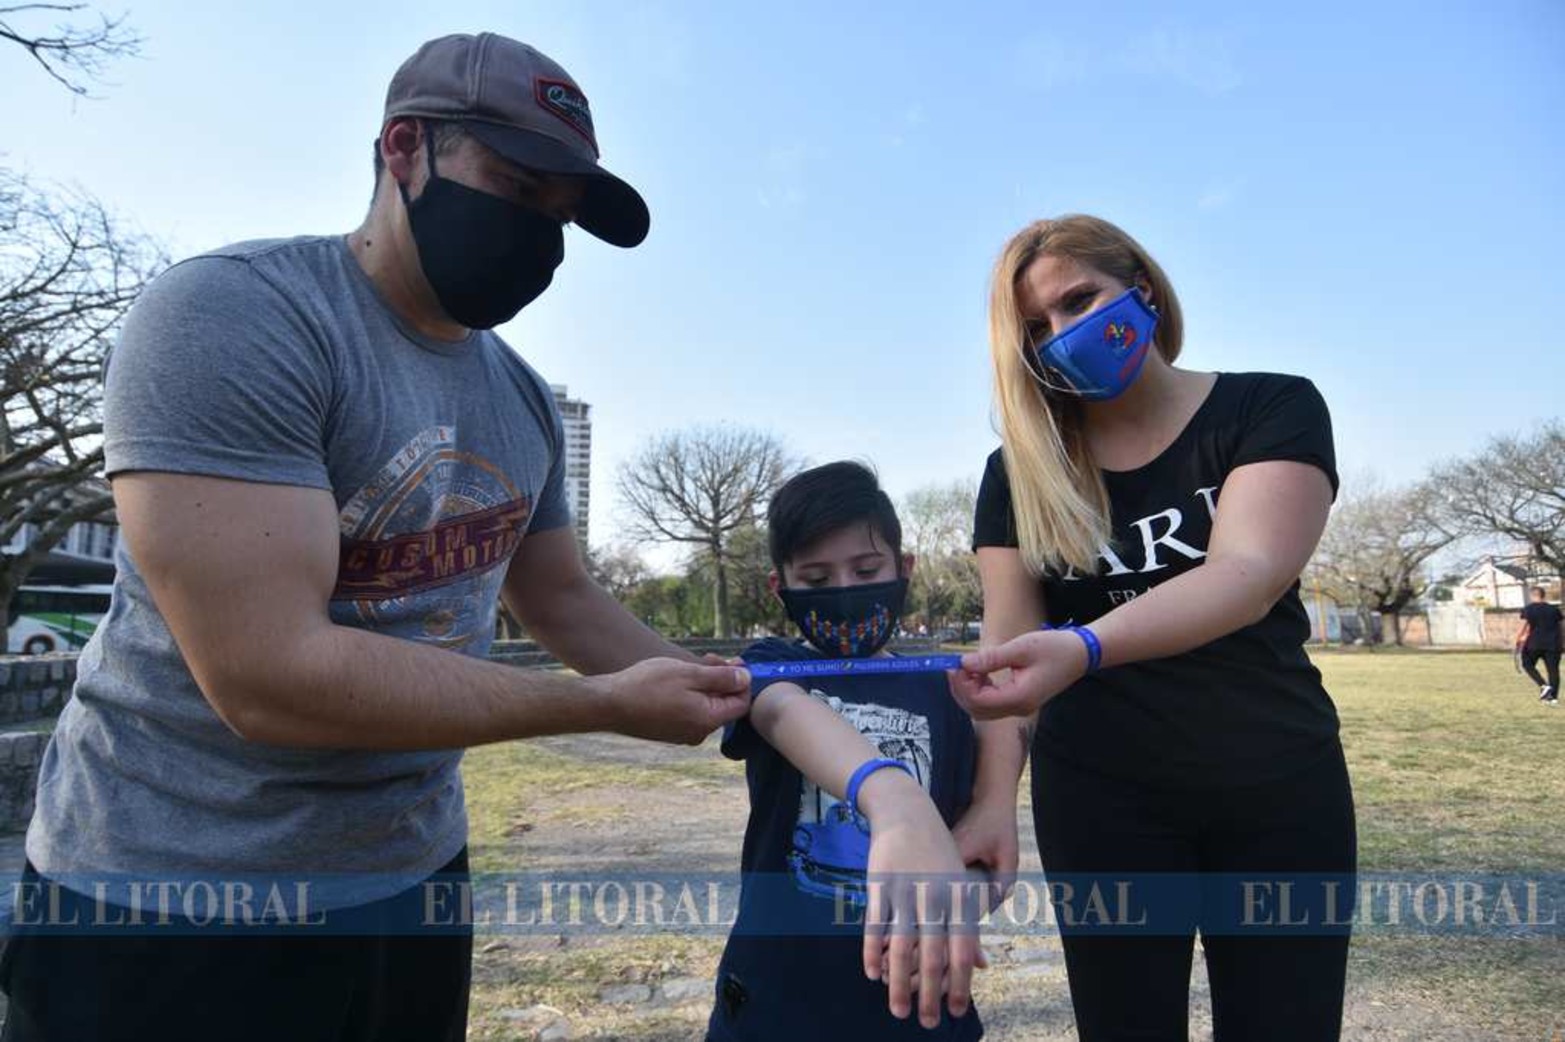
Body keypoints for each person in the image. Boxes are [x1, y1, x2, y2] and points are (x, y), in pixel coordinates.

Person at [0, 33, 755, 1042]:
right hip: (165, 897)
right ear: (404, 148)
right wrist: (595, 706)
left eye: (560, 211)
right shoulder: (235, 318)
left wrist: (748, 698)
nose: (541, 233)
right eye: (517, 186)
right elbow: (267, 675)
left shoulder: (521, 399)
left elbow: (564, 598)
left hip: (408, 882)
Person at [947, 214, 1357, 1040]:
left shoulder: (1269, 405)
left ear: (1139, 284)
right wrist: (992, 800)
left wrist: (1086, 644)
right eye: (1036, 327)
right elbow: (1008, 664)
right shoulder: (1017, 474)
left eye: (1078, 300)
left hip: (1277, 788)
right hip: (1102, 805)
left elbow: (1243, 573)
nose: (1065, 335)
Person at [707, 461, 985, 1041]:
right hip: (776, 992)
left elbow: (966, 843)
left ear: (903, 569)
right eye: (815, 580)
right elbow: (780, 709)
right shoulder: (770, 665)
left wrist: (958, 902)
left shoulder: (947, 690)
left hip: (917, 998)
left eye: (866, 569)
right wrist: (888, 793)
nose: (845, 594)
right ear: (778, 588)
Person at [1516, 586, 1562, 704]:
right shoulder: (1554, 609)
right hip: (1553, 644)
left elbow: (1524, 625)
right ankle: (1553, 698)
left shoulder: (1528, 609)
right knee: (1553, 671)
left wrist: (1519, 638)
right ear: (1543, 595)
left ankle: (1543, 685)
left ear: (1532, 595)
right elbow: (1561, 627)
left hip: (1534, 643)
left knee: (1527, 664)